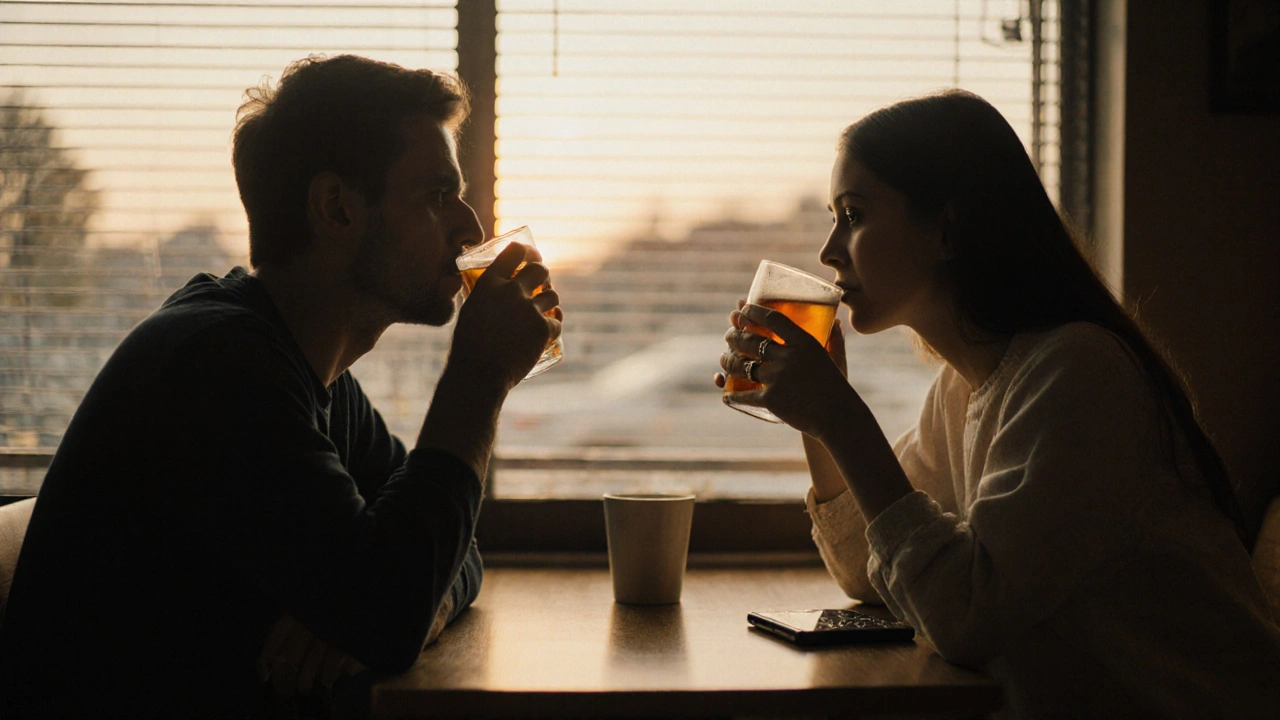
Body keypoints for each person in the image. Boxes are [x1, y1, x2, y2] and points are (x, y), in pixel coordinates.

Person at [0, 54, 561, 718]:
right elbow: (390, 606)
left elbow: (450, 555)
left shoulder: (305, 370)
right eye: (438, 194)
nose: (471, 227)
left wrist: (406, 611)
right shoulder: (218, 368)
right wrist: (478, 378)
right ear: (336, 207)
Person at [718, 90, 1280, 718]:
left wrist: (842, 417)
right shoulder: (962, 389)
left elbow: (967, 617)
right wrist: (818, 419)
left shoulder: (1078, 373)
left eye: (853, 214)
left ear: (946, 229)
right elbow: (864, 565)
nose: (828, 250)